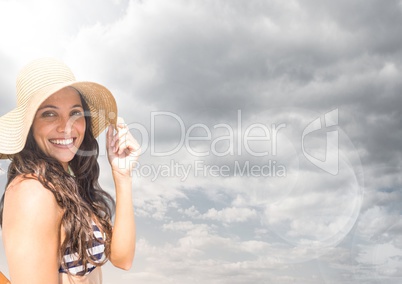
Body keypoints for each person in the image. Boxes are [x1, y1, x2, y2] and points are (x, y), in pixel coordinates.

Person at [0, 58, 139, 283]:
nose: (66, 126)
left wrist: (122, 176)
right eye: (49, 113)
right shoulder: (33, 192)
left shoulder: (66, 186)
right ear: (29, 126)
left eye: (75, 113)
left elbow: (123, 259)